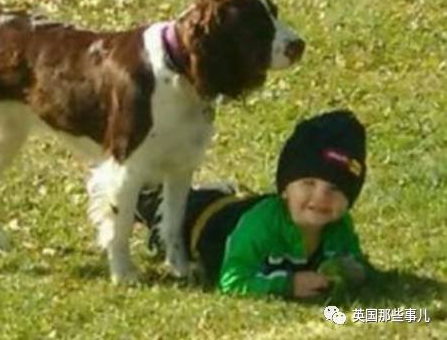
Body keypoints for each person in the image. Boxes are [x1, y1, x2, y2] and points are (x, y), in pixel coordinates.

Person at [135, 110, 370, 298]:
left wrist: (344, 271)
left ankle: (222, 191)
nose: (321, 197)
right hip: (204, 220)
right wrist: (288, 284)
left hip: (240, 207)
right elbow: (232, 280)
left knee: (230, 200)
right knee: (161, 208)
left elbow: (356, 264)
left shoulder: (339, 227)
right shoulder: (260, 227)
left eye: (335, 188)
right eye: (308, 183)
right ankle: (143, 193)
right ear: (285, 190)